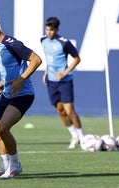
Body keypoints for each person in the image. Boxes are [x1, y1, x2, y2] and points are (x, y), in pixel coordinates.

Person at [0, 14, 42, 178]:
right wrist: (3, 83)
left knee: (3, 128)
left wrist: (21, 80)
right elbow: (12, 71)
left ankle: (15, 165)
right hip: (8, 93)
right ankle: (4, 167)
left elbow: (36, 60)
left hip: (23, 94)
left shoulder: (12, 44)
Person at [40, 17, 85, 149]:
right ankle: (74, 136)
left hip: (65, 81)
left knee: (69, 110)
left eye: (52, 30)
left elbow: (77, 59)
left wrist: (64, 73)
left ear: (57, 29)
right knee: (60, 110)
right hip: (51, 81)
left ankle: (83, 138)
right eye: (47, 29)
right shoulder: (43, 40)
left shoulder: (64, 43)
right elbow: (49, 58)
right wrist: (46, 72)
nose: (49, 32)